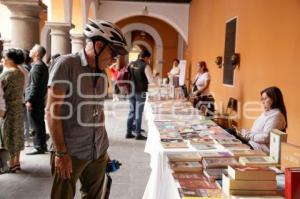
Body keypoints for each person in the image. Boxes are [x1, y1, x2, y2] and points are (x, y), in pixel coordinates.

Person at [46, 19, 128, 199]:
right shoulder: (66, 65)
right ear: (98, 45)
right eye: (113, 54)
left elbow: (97, 111)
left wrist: (103, 149)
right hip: (70, 150)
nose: (114, 61)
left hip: (97, 151)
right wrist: (61, 152)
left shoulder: (101, 72)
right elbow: (52, 112)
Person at [236, 86, 287, 154]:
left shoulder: (277, 116)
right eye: (262, 99)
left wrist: (249, 135)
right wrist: (245, 133)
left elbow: (265, 137)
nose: (263, 102)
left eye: (265, 99)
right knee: (230, 131)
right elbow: (257, 131)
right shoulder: (267, 113)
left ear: (274, 99)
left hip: (259, 148)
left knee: (230, 136)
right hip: (252, 143)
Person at [0, 48, 25, 172]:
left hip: (8, 108)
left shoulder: (6, 74)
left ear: (11, 59)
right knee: (18, 134)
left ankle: (11, 163)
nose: (3, 59)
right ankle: (17, 162)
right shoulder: (20, 72)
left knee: (8, 134)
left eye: (5, 57)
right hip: (18, 107)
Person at [126, 49, 155, 140]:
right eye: (148, 58)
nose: (148, 60)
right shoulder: (145, 66)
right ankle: (138, 133)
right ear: (146, 57)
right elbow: (151, 81)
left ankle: (128, 132)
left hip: (131, 90)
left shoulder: (131, 64)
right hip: (140, 92)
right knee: (138, 112)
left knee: (131, 111)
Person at [25, 44, 49, 155]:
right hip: (39, 99)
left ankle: (38, 146)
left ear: (37, 54)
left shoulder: (37, 66)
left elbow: (34, 85)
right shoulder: (40, 65)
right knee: (39, 123)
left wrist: (29, 100)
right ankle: (42, 145)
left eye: (32, 49)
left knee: (35, 124)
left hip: (35, 100)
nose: (30, 50)